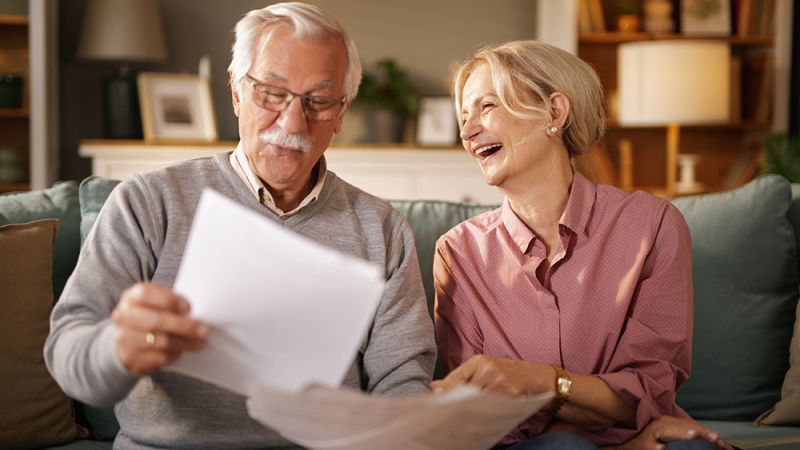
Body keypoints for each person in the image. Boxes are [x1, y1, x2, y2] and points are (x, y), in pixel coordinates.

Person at [44, 3, 435, 449]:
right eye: (271, 92)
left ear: (341, 112)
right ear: (235, 91)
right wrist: (117, 347)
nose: (292, 122)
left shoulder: (383, 231)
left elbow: (402, 383)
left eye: (319, 101)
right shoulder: (148, 202)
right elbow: (69, 353)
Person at [431, 40, 732, 450]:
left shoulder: (652, 226)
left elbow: (647, 390)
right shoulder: (459, 253)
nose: (467, 132)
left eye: (487, 107)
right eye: (464, 116)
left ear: (554, 112)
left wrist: (542, 383)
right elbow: (474, 414)